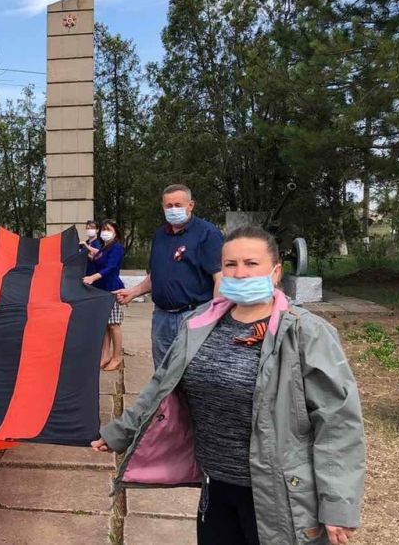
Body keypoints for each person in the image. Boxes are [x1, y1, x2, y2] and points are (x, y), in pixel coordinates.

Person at [92, 226, 365, 545]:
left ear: (275, 272)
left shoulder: (307, 334)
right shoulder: (199, 324)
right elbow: (160, 388)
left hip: (280, 494)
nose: (239, 273)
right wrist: (119, 433)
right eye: (230, 265)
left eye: (251, 263)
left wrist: (338, 505)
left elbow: (338, 422)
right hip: (216, 486)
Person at [114, 184, 224, 369]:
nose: (173, 210)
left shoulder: (207, 233)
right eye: (169, 206)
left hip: (193, 314)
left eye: (178, 205)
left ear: (190, 205)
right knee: (163, 372)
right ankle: (165, 400)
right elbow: (156, 275)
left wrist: (215, 316)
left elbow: (219, 277)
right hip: (162, 318)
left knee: (191, 370)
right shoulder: (160, 235)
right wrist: (134, 292)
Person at [82, 219, 126, 370]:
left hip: (111, 289)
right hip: (100, 290)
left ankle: (117, 356)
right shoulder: (104, 248)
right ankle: (105, 355)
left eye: (108, 230)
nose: (104, 232)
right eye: (103, 229)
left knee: (114, 325)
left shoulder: (117, 248)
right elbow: (97, 258)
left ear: (115, 232)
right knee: (104, 325)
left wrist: (93, 277)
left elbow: (110, 267)